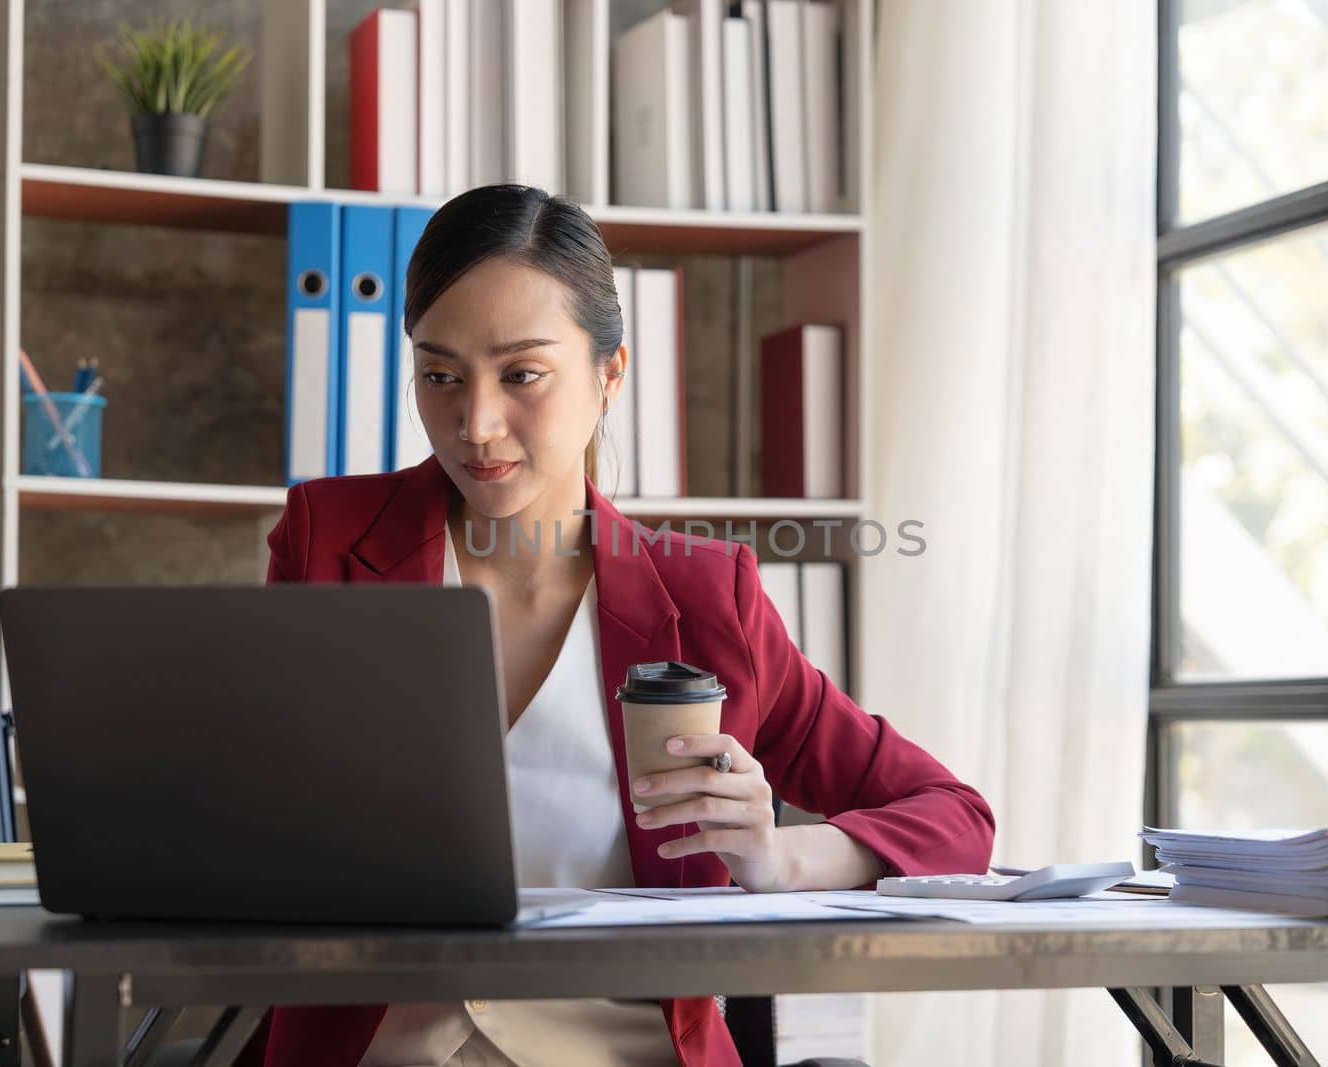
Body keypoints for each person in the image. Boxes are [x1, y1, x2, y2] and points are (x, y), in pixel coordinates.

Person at [249, 184, 994, 1067]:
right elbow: (247, 802)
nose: (475, 423)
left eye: (522, 374)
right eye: (439, 375)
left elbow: (954, 817)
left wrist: (777, 856)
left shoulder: (709, 600)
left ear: (610, 373)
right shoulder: (328, 540)